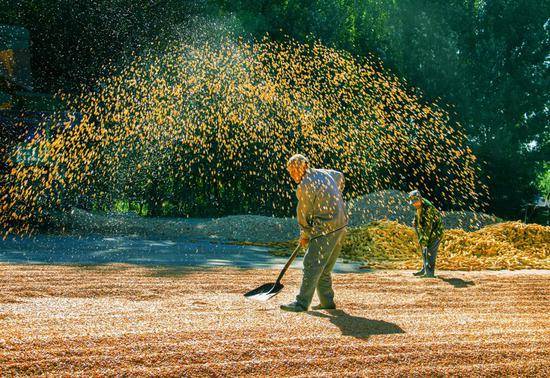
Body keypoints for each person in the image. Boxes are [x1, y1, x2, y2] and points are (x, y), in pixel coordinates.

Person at [280, 154, 348, 312]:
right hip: (341, 224)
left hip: (325, 227)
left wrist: (304, 234)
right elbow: (339, 176)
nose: (292, 174)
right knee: (323, 268)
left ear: (303, 167)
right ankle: (326, 302)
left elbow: (304, 213)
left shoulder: (305, 185)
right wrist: (336, 195)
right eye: (290, 171)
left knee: (311, 264)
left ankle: (302, 303)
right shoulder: (323, 173)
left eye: (294, 170)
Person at [408, 190, 444, 278]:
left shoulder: (428, 208)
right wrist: (416, 221)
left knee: (430, 252)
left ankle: (430, 273)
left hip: (435, 232)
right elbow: (418, 214)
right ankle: (424, 269)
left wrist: (423, 239)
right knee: (424, 251)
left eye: (416, 202)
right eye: (413, 202)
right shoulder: (419, 205)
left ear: (420, 199)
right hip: (428, 230)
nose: (415, 204)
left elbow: (428, 227)